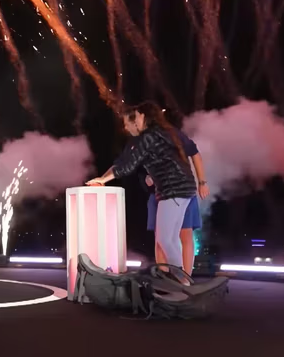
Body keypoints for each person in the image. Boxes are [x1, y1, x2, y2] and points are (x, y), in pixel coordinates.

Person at [86, 102, 198, 280]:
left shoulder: (148, 137)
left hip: (173, 190)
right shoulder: (158, 133)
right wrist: (103, 178)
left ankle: (182, 279)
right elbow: (122, 162)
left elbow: (128, 166)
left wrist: (102, 180)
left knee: (165, 239)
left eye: (134, 118)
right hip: (183, 188)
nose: (127, 126)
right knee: (169, 239)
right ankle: (183, 280)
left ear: (143, 118)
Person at [140, 126, 209, 274]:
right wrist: (147, 178)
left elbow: (194, 153)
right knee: (161, 239)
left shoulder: (174, 135)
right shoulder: (142, 142)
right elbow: (133, 166)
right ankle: (165, 275)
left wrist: (202, 182)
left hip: (182, 192)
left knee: (185, 234)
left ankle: (185, 277)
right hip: (159, 195)